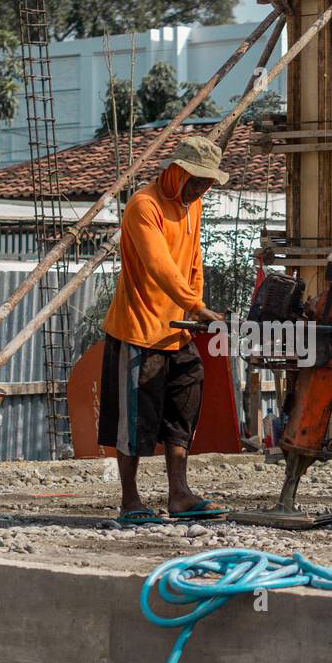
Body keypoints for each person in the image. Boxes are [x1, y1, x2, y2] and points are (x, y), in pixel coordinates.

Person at [97, 136, 232, 524]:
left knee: (183, 403)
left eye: (207, 182)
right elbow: (160, 267)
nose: (202, 187)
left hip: (178, 331)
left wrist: (196, 311)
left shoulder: (194, 206)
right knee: (135, 416)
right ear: (176, 171)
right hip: (138, 329)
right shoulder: (144, 205)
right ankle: (130, 500)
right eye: (197, 180)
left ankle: (179, 495)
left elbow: (193, 262)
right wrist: (199, 308)